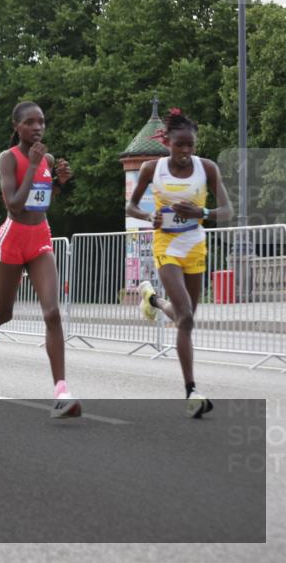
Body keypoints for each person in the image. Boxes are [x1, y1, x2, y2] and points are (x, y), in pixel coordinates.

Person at [0, 101, 80, 418]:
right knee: (4, 312)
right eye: (30, 123)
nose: (37, 128)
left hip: (39, 239)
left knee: (52, 312)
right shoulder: (8, 158)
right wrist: (36, 166)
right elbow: (14, 204)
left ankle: (61, 392)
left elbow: (42, 199)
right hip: (11, 240)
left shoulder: (47, 158)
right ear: (16, 126)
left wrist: (60, 181)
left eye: (42, 122)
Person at [126, 108, 231, 418]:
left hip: (195, 245)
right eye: (180, 145)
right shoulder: (151, 169)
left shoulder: (207, 168)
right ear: (167, 142)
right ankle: (192, 392)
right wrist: (149, 216)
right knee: (184, 313)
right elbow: (131, 206)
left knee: (186, 319)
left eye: (191, 146)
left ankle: (153, 300)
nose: (186, 152)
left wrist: (204, 214)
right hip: (166, 244)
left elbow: (228, 210)